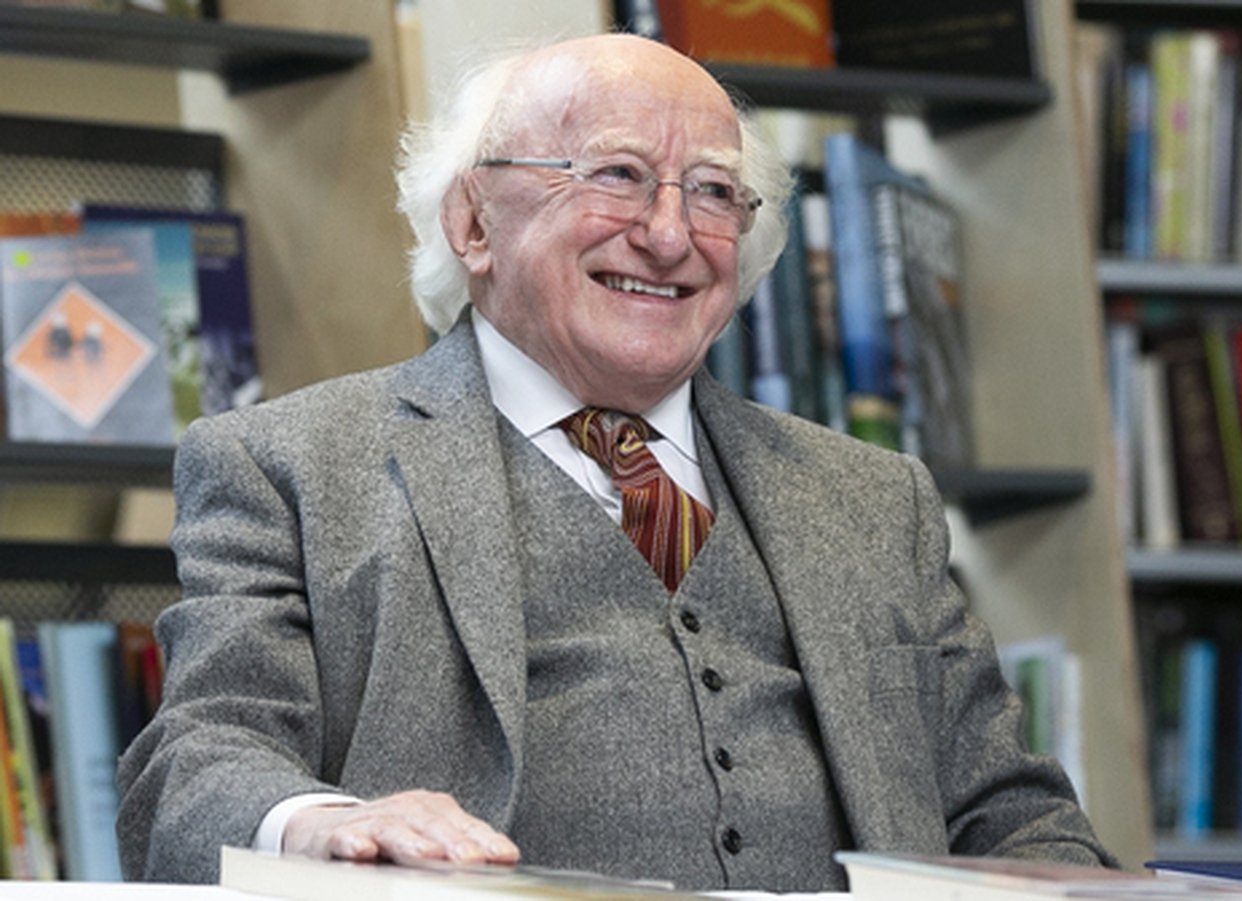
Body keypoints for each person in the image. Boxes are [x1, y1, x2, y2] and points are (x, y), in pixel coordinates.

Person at [115, 33, 1114, 889]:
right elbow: (196, 764)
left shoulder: (874, 498)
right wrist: (324, 822)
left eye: (713, 192)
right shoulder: (285, 465)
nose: (669, 235)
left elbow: (1010, 813)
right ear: (473, 222)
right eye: (617, 175)